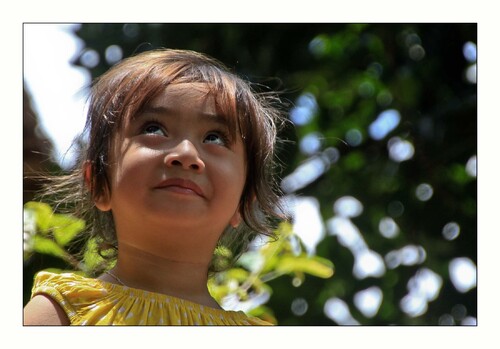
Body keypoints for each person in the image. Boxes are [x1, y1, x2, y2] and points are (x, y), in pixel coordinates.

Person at [23, 48, 286, 325]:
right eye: (154, 129)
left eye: (215, 138)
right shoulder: (60, 314)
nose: (185, 154)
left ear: (244, 202)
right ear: (99, 183)